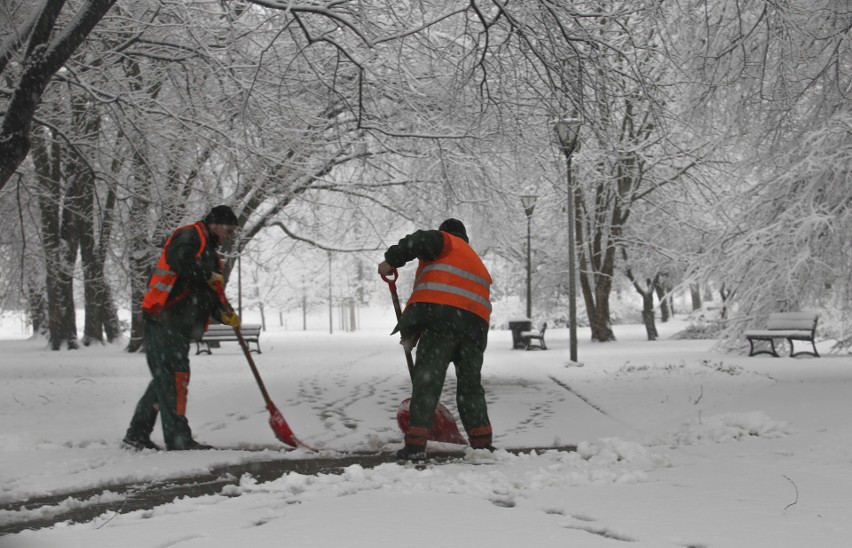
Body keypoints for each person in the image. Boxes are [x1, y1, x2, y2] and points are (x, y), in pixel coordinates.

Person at [122, 205, 242, 451]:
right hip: (163, 317)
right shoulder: (189, 235)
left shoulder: (210, 253)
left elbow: (210, 293)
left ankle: (137, 434)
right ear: (216, 224)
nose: (229, 235)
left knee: (164, 379)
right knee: (174, 378)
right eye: (228, 230)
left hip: (177, 323)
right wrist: (207, 274)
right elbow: (181, 262)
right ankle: (179, 439)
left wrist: (225, 313)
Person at [377, 218, 495, 460]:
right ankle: (482, 445)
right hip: (475, 329)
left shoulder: (445, 241)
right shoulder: (476, 261)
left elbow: (420, 240)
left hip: (444, 321)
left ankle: (415, 446)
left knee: (427, 382)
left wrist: (391, 260)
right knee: (470, 387)